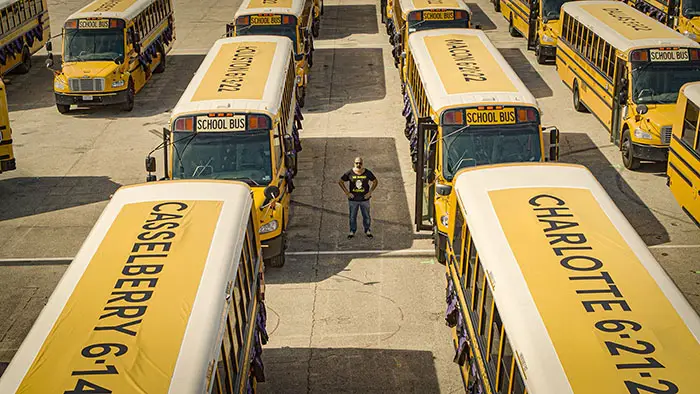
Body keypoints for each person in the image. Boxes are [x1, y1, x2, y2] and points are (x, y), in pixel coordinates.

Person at [339, 157, 378, 238]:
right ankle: (352, 231)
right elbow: (340, 181)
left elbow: (375, 181)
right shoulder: (350, 173)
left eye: (360, 163)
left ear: (362, 163)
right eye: (357, 163)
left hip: (365, 200)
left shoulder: (367, 172)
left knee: (366, 216)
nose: (358, 165)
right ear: (354, 163)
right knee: (352, 216)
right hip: (353, 200)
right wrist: (347, 192)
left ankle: (367, 230)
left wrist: (370, 192)